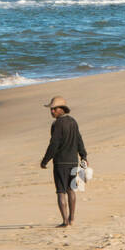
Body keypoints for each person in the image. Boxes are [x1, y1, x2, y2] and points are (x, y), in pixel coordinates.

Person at [39, 96, 89, 228]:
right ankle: (72, 219)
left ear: (61, 109)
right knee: (71, 190)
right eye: (51, 109)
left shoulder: (57, 124)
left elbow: (54, 144)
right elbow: (79, 139)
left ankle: (65, 221)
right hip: (73, 161)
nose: (52, 111)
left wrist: (45, 160)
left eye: (54, 109)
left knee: (61, 192)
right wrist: (83, 156)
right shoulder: (73, 122)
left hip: (60, 163)